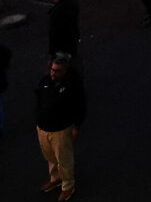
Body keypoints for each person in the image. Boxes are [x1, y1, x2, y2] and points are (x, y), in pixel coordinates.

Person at [34, 53, 85, 201]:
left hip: (61, 129)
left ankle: (68, 185)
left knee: (64, 159)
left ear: (65, 71)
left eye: (57, 71)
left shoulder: (73, 85)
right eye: (52, 69)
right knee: (50, 157)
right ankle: (56, 178)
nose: (53, 73)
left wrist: (76, 126)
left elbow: (80, 106)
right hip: (44, 127)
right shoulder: (45, 81)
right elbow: (39, 98)